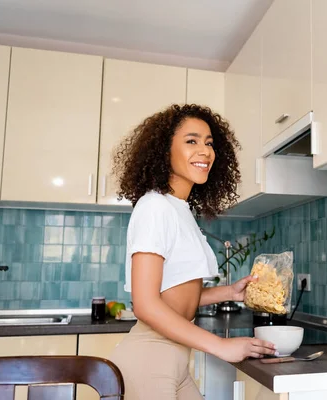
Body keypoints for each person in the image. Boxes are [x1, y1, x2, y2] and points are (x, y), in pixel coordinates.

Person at [108, 104, 278, 400]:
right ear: (164, 151)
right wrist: (220, 345)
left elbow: (174, 294)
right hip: (149, 359)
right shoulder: (155, 206)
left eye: (209, 143)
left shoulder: (179, 209)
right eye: (191, 141)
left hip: (173, 358)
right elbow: (145, 305)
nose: (205, 151)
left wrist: (229, 293)